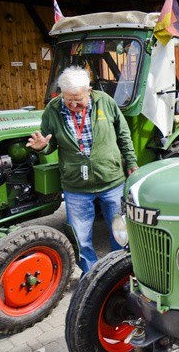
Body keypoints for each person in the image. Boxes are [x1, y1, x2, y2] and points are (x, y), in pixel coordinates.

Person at [27, 66, 138, 273]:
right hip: (76, 186)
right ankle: (91, 275)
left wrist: (131, 163)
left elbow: (123, 135)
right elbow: (49, 142)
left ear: (89, 90)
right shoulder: (53, 110)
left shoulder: (105, 102)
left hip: (111, 180)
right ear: (61, 93)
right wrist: (43, 147)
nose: (74, 104)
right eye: (68, 99)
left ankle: (118, 272)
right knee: (79, 238)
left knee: (120, 232)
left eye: (78, 99)